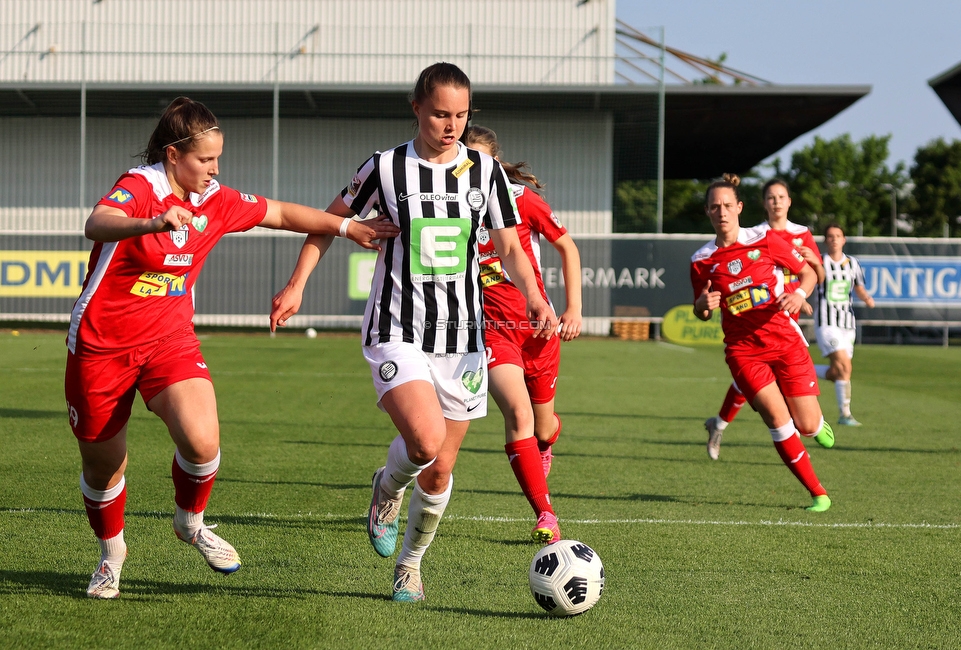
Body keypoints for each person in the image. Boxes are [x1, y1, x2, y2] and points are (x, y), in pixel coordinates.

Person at [66, 96, 399, 600]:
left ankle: (190, 522)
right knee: (104, 466)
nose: (214, 169)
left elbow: (281, 212)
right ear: (174, 155)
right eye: (205, 159)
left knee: (202, 441)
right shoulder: (141, 186)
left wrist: (349, 226)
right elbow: (97, 222)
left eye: (218, 159)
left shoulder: (215, 198)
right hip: (101, 345)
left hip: (169, 339)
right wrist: (153, 223)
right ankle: (112, 554)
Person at [269, 63, 557, 602]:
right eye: (441, 114)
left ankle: (410, 565)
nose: (451, 126)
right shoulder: (384, 168)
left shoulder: (486, 175)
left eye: (461, 115)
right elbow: (326, 222)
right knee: (423, 441)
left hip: (463, 336)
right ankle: (385, 489)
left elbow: (513, 249)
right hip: (396, 325)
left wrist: (536, 297)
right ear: (417, 109)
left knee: (442, 466)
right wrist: (296, 285)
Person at [462, 125, 583, 544]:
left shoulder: (520, 199)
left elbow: (568, 247)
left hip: (538, 331)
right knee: (518, 416)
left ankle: (545, 444)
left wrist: (573, 308)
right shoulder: (450, 206)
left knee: (543, 428)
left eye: (479, 160)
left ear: (495, 163)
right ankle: (546, 513)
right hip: (493, 333)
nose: (471, 169)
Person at [691, 174, 833, 512]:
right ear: (708, 212)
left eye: (727, 205)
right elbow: (701, 309)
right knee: (776, 418)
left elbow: (809, 273)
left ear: (739, 207)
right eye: (714, 206)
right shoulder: (702, 260)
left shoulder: (765, 239)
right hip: (744, 351)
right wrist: (702, 306)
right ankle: (818, 493)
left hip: (785, 341)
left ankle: (817, 423)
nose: (721, 212)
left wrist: (798, 294)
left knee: (808, 425)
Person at [814, 223, 875, 425]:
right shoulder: (820, 262)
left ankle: (803, 370)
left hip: (848, 324)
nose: (834, 239)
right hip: (827, 322)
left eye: (838, 236)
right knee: (844, 365)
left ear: (844, 239)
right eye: (830, 236)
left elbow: (858, 286)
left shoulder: (852, 263)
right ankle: (845, 415)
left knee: (839, 372)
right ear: (825, 240)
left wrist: (866, 298)